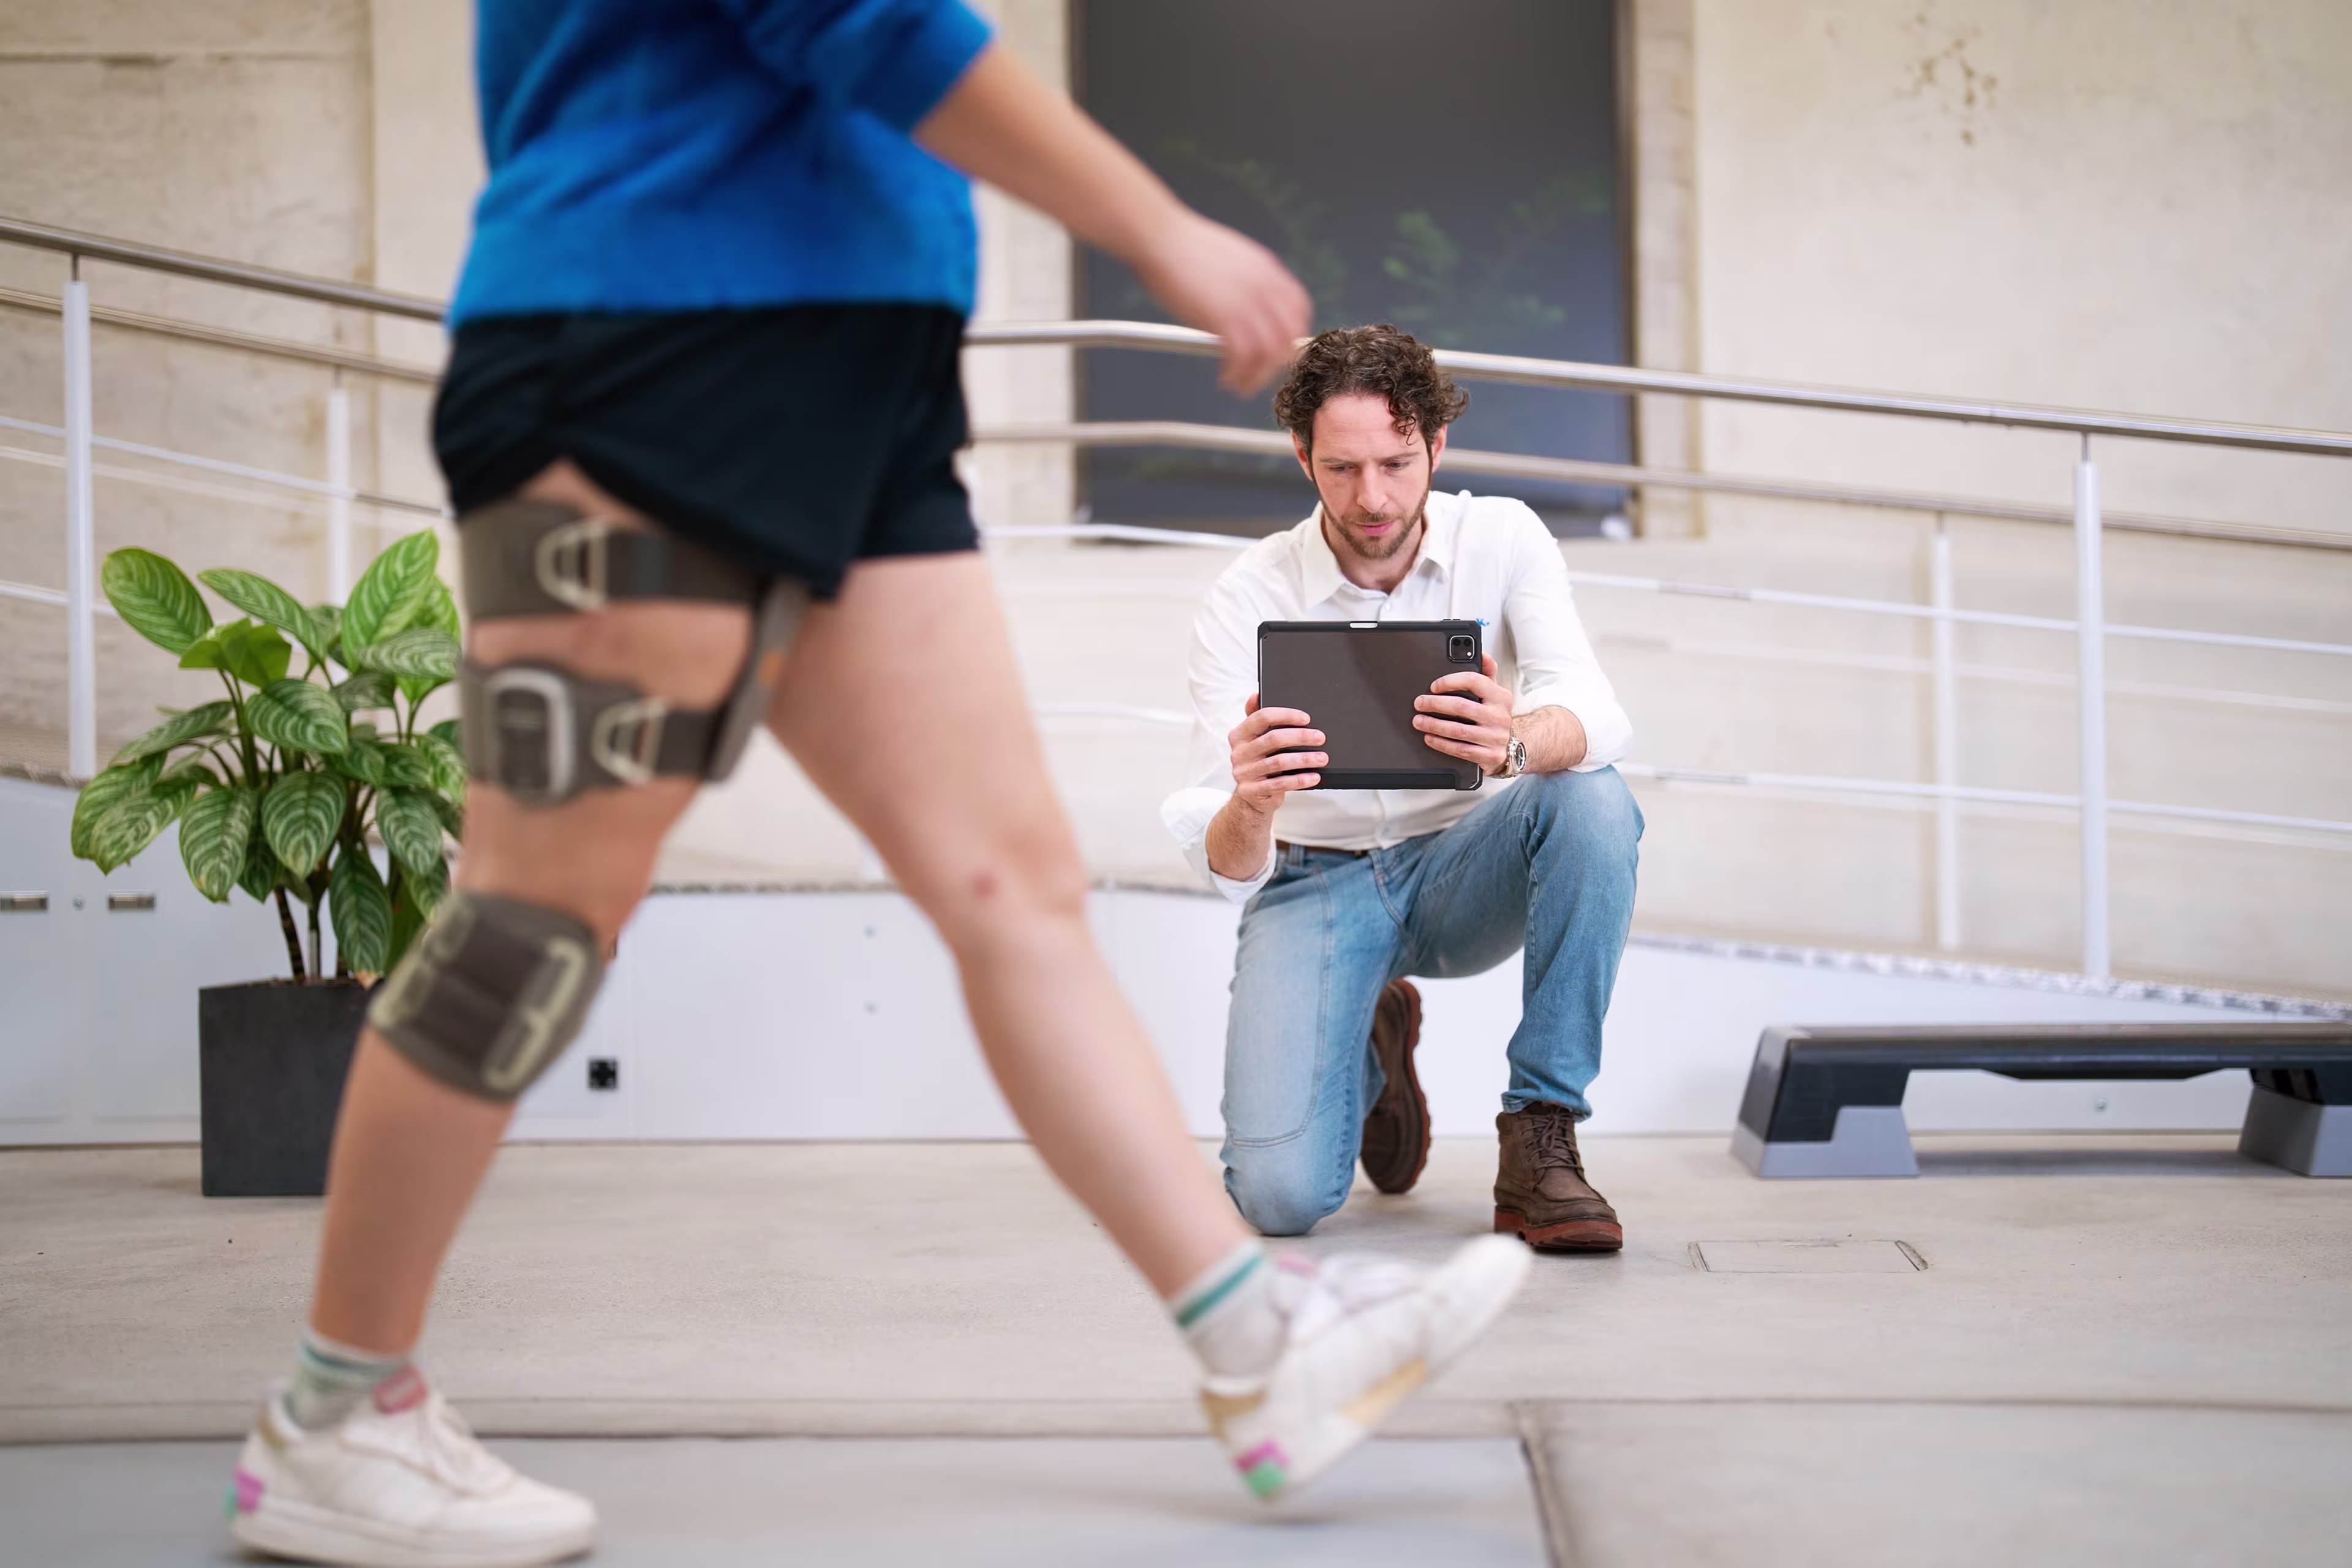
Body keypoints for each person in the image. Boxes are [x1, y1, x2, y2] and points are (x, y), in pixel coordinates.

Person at [222, 7, 1528, 1566]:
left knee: (1007, 884)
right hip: (651, 345)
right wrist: (1155, 229)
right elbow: (859, 22)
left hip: (861, 376)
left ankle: (1262, 1350)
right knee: (537, 915)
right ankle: (337, 1411)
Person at [1162, 324, 1643, 1250]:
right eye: (1341, 468)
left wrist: (1516, 742)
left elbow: (1599, 714)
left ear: (1437, 446)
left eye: (1396, 461)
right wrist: (1251, 803)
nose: (1373, 498)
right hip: (1313, 880)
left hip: (1463, 866)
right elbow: (1225, 869)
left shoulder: (1501, 537)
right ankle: (1376, 1046)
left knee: (1592, 794)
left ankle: (1541, 1131)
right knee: (1277, 1199)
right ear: (1302, 456)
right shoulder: (1244, 595)